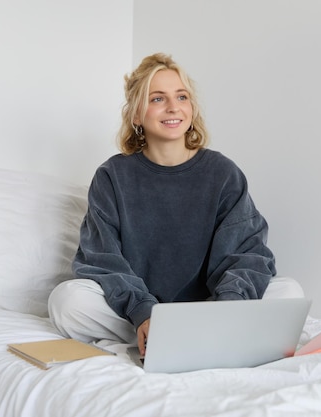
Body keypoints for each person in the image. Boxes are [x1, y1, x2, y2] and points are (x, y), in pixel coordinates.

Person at [48, 53, 303, 356]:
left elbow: (247, 253)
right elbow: (100, 259)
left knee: (290, 293)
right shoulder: (112, 176)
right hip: (139, 312)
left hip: (211, 309)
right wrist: (143, 311)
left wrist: (229, 305)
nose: (172, 107)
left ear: (192, 108)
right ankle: (165, 336)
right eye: (157, 99)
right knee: (66, 302)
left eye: (181, 96)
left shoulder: (223, 173)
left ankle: (183, 338)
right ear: (136, 115)